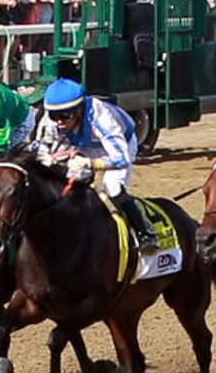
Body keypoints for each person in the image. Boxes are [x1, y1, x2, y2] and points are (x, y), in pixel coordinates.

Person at [32, 77, 154, 252]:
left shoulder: (102, 119)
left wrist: (89, 163)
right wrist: (44, 159)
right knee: (66, 179)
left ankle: (144, 233)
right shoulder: (52, 120)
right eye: (54, 115)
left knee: (111, 187)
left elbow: (121, 159)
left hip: (120, 146)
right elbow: (42, 144)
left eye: (65, 116)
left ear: (79, 110)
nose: (59, 121)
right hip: (84, 143)